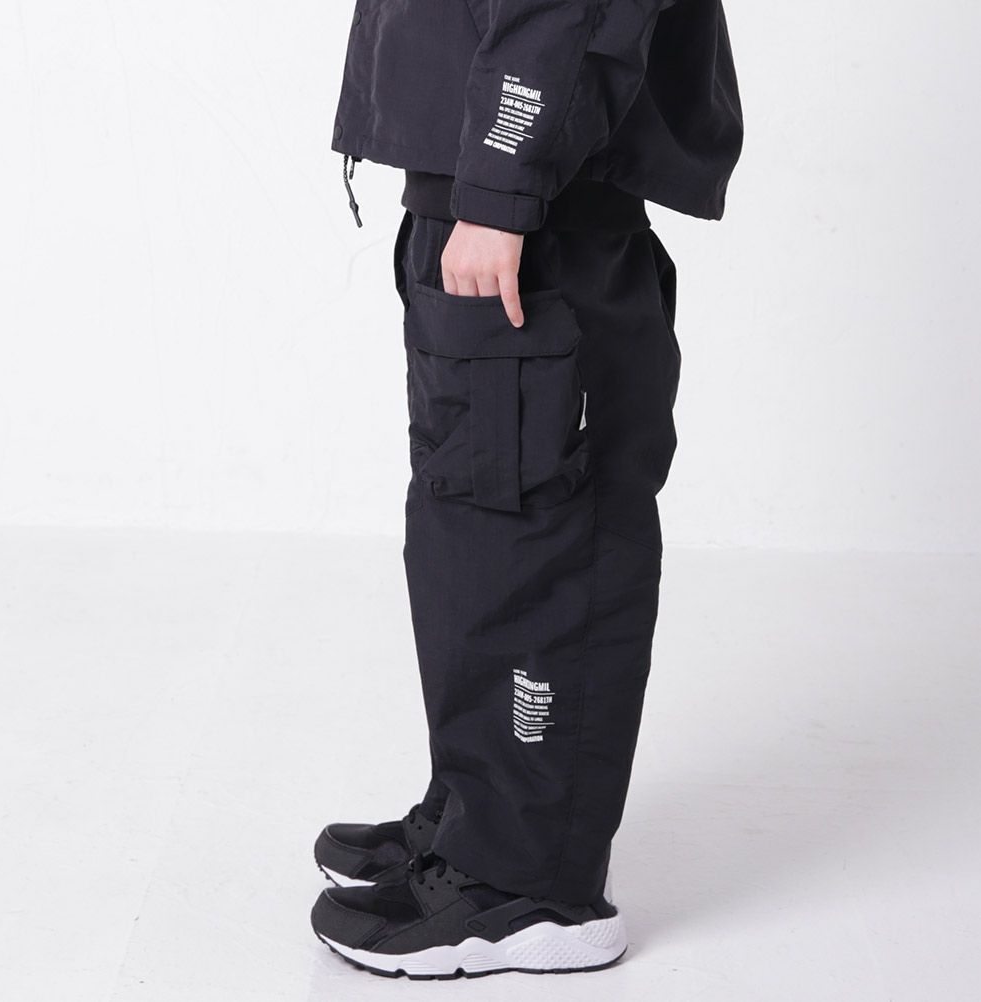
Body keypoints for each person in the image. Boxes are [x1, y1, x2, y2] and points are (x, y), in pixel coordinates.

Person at [311, 0, 743, 978]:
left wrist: (501, 189)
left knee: (535, 544)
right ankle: (477, 819)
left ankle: (527, 883)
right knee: (472, 538)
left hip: (534, 202)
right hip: (488, 183)